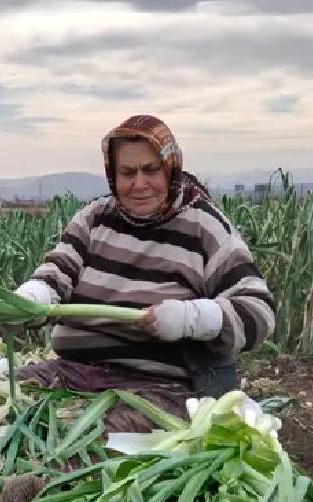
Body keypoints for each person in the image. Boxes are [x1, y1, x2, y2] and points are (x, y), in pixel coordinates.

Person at [14, 114, 276, 433]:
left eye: (151, 170)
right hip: (73, 372)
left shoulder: (203, 226)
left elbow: (258, 312)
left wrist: (191, 318)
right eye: (127, 173)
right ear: (113, 175)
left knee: (95, 442)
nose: (139, 184)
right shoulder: (95, 219)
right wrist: (32, 298)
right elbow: (58, 272)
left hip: (158, 389)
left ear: (170, 167)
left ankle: (42, 480)